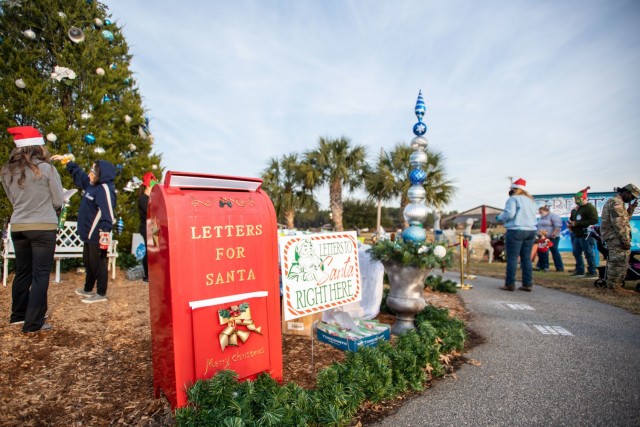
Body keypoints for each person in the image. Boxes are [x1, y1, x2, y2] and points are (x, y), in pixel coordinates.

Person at [1, 126, 64, 332]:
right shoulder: (47, 169)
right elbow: (58, 200)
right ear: (38, 147)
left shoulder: (7, 170)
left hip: (18, 226)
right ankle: (34, 322)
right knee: (40, 274)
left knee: (22, 271)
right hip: (43, 226)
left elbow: (13, 200)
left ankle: (18, 315)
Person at [51, 155, 117, 303]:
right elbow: (80, 176)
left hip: (98, 234)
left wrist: (104, 235)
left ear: (101, 175)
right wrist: (68, 162)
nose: (89, 174)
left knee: (98, 263)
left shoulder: (105, 189)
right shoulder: (92, 185)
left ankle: (101, 293)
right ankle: (88, 289)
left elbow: (109, 214)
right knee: (88, 262)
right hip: (87, 233)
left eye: (93, 173)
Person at [496, 178, 538, 292]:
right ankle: (527, 283)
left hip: (516, 230)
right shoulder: (531, 200)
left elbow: (510, 213)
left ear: (515, 189)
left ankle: (510, 283)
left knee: (512, 258)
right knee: (526, 258)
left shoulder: (513, 199)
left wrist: (500, 218)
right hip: (531, 230)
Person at [599, 183, 639, 290]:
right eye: (632, 196)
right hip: (615, 238)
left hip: (615, 237)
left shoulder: (618, 202)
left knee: (621, 261)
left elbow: (624, 220)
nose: (632, 199)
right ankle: (613, 287)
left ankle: (616, 286)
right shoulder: (617, 203)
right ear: (626, 192)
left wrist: (631, 209)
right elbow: (619, 224)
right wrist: (625, 240)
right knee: (617, 261)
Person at [568, 186, 598, 279]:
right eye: (575, 199)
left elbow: (594, 220)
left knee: (588, 253)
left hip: (586, 235)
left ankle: (592, 272)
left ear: (584, 198)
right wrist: (571, 224)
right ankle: (580, 271)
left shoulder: (590, 208)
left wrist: (577, 223)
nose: (576, 200)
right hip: (577, 234)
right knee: (576, 252)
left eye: (578, 198)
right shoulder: (578, 208)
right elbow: (574, 219)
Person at [138, 171, 157, 282]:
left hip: (153, 227)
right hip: (146, 227)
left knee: (154, 249)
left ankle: (153, 272)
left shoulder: (151, 198)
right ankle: (147, 275)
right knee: (150, 250)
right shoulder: (143, 199)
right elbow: (149, 212)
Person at [536, 206, 564, 272]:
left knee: (554, 251)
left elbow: (558, 226)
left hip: (552, 237)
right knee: (543, 251)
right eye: (539, 212)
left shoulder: (553, 216)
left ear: (546, 211)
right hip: (543, 238)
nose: (540, 213)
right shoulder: (541, 218)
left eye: (541, 212)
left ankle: (559, 268)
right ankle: (542, 266)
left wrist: (554, 233)